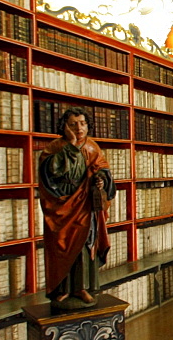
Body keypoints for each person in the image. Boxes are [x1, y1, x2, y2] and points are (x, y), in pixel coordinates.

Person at [38, 107, 116, 309]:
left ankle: (82, 287)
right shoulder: (55, 147)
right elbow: (49, 173)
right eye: (73, 124)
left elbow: (104, 171)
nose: (78, 128)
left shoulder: (92, 147)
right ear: (64, 127)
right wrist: (70, 147)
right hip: (61, 206)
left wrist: (100, 180)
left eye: (82, 123)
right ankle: (61, 289)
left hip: (84, 206)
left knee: (83, 246)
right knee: (60, 247)